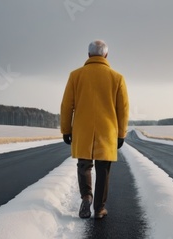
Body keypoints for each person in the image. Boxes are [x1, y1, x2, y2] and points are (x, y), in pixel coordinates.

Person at [60, 40, 129, 219]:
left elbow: (67, 105)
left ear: (89, 55)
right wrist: (121, 134)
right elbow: (123, 110)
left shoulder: (76, 75)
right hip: (107, 131)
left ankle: (86, 197)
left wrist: (66, 130)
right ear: (106, 55)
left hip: (83, 130)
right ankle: (99, 209)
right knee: (103, 170)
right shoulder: (117, 78)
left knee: (84, 166)